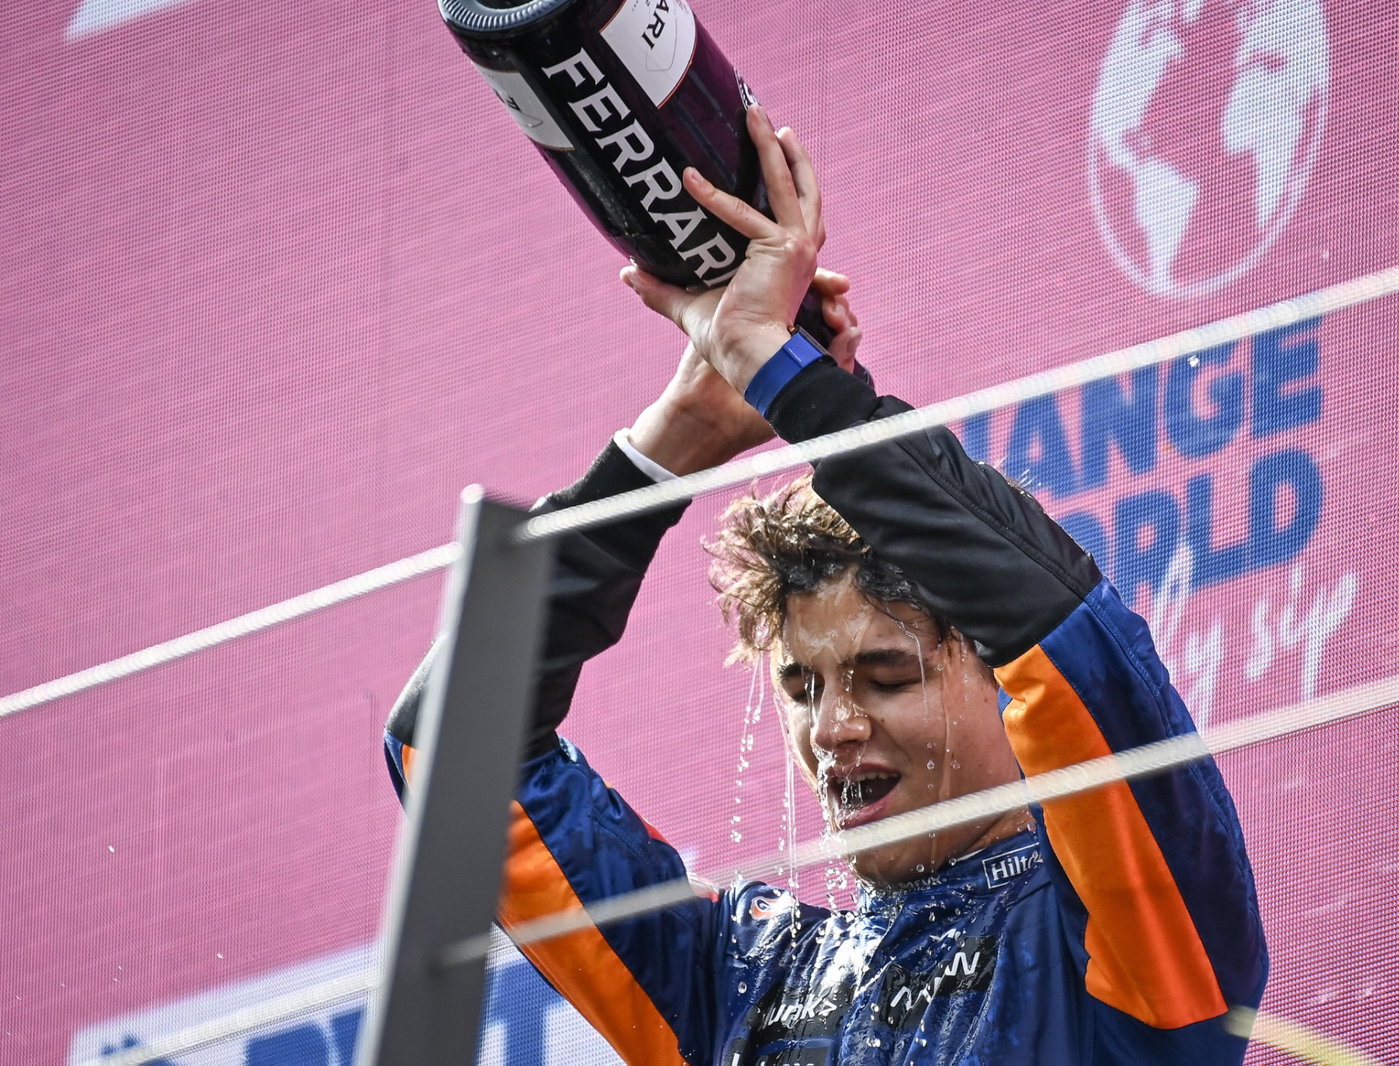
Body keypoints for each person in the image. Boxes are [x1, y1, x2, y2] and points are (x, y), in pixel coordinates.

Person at [384, 105, 1268, 1064]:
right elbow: (453, 760)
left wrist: (795, 382)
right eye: (804, 687)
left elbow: (1066, 639)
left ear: (1009, 693)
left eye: (886, 676)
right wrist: (675, 442)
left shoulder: (1119, 938)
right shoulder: (730, 976)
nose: (835, 726)